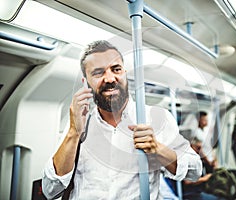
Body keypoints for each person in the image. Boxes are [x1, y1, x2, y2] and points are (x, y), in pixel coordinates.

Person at [42, 40, 202, 199]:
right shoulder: (79, 124)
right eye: (98, 73)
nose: (110, 79)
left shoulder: (156, 118)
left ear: (125, 73)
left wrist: (157, 149)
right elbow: (50, 189)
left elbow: (195, 170)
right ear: (86, 83)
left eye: (116, 69)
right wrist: (73, 132)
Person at [182, 135, 225, 200]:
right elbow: (187, 182)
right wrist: (204, 179)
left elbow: (211, 166)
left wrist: (209, 161)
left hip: (199, 191)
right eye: (198, 148)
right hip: (190, 193)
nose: (200, 151)